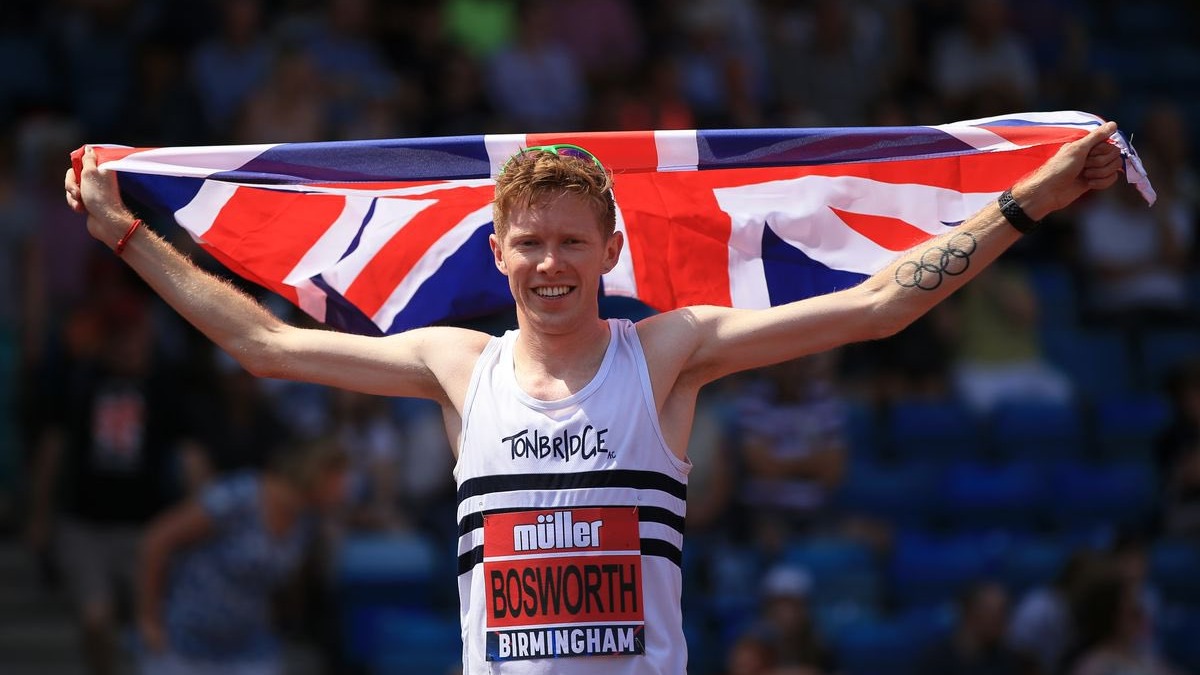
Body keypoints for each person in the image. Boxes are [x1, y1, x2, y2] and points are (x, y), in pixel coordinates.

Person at [66, 120, 1126, 673]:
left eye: (573, 243)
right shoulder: (457, 366)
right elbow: (263, 343)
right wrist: (125, 233)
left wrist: (1026, 203)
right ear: (499, 251)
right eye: (530, 244)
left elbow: (879, 306)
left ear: (611, 249)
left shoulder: (668, 352)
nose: (551, 264)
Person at [136, 434, 349, 675]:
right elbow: (158, 539)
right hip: (185, 642)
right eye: (339, 478)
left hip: (248, 645)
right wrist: (149, 619)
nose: (345, 488)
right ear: (316, 471)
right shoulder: (240, 496)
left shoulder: (308, 521)